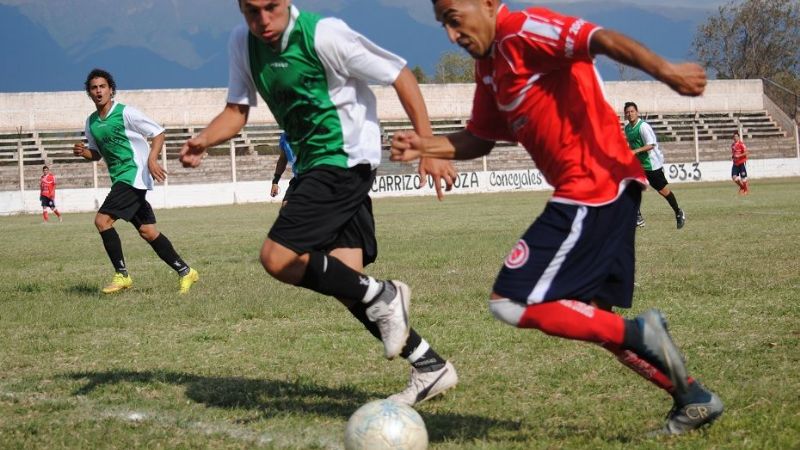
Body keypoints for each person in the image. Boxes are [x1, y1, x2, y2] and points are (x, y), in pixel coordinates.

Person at [391, 0, 722, 434]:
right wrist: (425, 146)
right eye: (443, 26)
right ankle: (693, 398)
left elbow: (598, 38)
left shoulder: (523, 29)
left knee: (512, 301)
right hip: (612, 189)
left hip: (594, 186)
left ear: (489, 4)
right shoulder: (489, 66)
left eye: (454, 19)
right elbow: (480, 139)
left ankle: (643, 333)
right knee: (592, 316)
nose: (451, 35)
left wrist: (666, 71)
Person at [179, 0, 459, 406]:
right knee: (347, 282)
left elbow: (400, 74)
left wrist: (430, 147)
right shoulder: (243, 41)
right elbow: (237, 110)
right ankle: (429, 365)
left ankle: (386, 295)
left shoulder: (324, 35)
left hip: (343, 161)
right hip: (315, 165)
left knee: (278, 258)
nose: (262, 21)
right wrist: (205, 138)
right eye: (250, 12)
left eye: (270, 8)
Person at [73, 68, 199, 295]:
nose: (99, 91)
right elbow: (97, 154)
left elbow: (158, 133)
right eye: (94, 88)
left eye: (103, 86)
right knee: (149, 232)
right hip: (123, 179)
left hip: (133, 176)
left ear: (111, 90)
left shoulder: (126, 113)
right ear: (89, 93)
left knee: (102, 221)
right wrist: (84, 152)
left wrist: (152, 159)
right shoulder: (91, 123)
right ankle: (186, 271)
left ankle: (122, 275)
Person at [623, 102, 686, 229]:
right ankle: (638, 217)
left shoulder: (643, 127)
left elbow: (651, 145)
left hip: (651, 164)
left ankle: (678, 212)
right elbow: (632, 145)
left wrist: (635, 151)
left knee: (663, 191)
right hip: (638, 164)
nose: (630, 114)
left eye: (632, 111)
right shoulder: (627, 128)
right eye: (627, 112)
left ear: (637, 112)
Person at [270, 132, 295, 205]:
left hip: (315, 176)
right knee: (286, 205)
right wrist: (275, 181)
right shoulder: (284, 137)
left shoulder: (309, 134)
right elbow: (283, 159)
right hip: (299, 177)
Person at [731, 131, 749, 195]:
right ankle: (742, 187)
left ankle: (746, 190)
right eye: (734, 137)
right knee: (734, 178)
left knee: (743, 178)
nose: (735, 138)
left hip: (741, 163)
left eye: (736, 136)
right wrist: (733, 156)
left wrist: (739, 155)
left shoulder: (741, 144)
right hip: (735, 164)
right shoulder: (732, 145)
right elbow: (734, 153)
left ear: (738, 137)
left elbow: (746, 152)